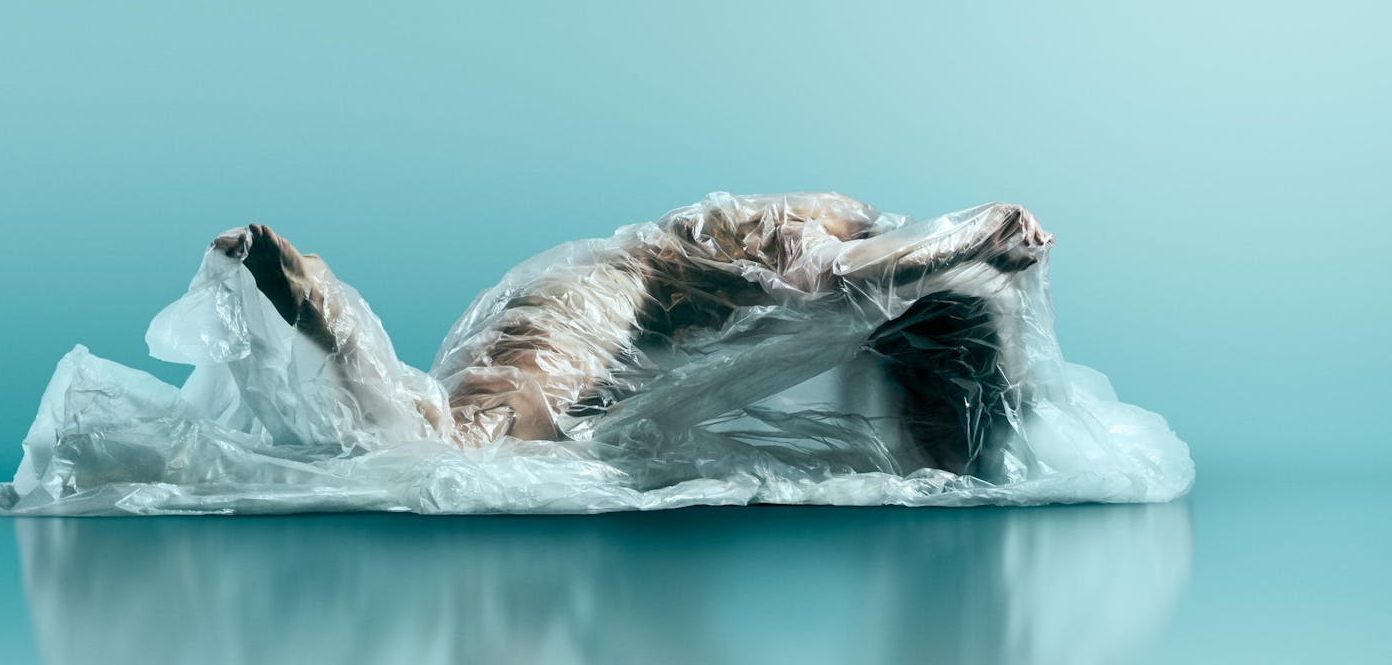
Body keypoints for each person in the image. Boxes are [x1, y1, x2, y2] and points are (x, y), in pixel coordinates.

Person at [211, 193, 1054, 479]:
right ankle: (309, 297)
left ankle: (316, 308)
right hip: (597, 308)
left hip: (597, 308)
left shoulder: (840, 227)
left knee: (470, 447)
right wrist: (978, 234)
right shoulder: (848, 228)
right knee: (459, 453)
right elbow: (846, 276)